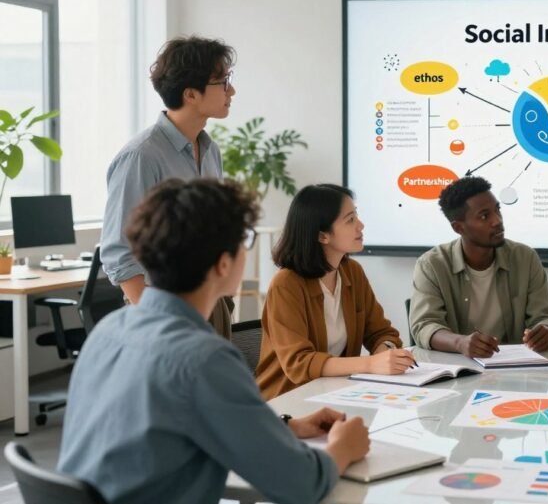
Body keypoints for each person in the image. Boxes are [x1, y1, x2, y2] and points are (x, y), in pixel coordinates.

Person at [59, 178, 370, 504]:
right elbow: (301, 484)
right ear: (224, 263)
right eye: (243, 242)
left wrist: (287, 427)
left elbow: (170, 425)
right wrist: (342, 449)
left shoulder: (108, 331)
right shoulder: (203, 358)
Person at [100, 35, 240, 338]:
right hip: (161, 311)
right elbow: (118, 252)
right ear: (191, 94)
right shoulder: (142, 156)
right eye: (223, 82)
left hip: (209, 302)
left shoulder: (209, 150)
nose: (232, 90)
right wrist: (158, 321)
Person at [257, 184, 413, 400]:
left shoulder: (353, 273)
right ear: (323, 236)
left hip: (338, 393)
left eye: (356, 216)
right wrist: (369, 364)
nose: (360, 225)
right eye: (350, 220)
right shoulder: (286, 284)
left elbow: (381, 333)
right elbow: (299, 364)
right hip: (288, 401)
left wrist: (384, 352)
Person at [409, 176, 548, 358]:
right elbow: (425, 326)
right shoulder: (432, 265)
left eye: (497, 210)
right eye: (484, 216)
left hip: (515, 371)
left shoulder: (525, 257)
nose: (497, 220)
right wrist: (460, 343)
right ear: (459, 228)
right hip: (456, 370)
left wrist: (547, 332)